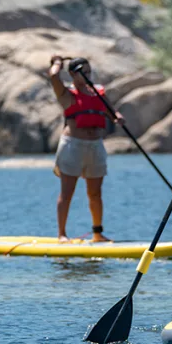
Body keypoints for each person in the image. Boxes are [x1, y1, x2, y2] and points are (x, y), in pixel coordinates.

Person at [47, 55, 125, 243]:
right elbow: (53, 76)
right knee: (67, 193)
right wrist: (58, 61)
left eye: (89, 72)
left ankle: (97, 233)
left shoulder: (98, 92)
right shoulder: (66, 94)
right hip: (73, 145)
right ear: (73, 74)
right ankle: (62, 234)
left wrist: (118, 116)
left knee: (95, 193)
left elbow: (111, 111)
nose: (88, 76)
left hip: (95, 145)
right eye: (83, 72)